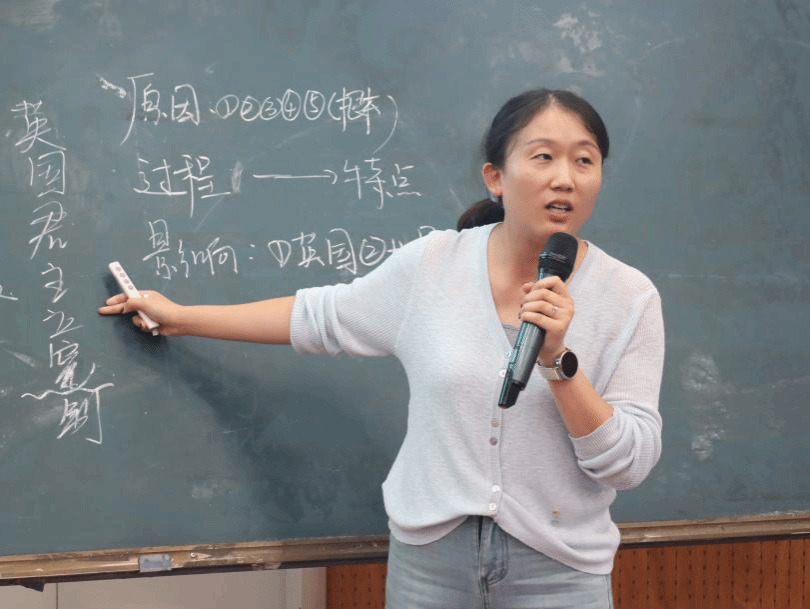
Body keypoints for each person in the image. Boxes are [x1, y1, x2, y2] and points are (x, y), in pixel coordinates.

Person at [99, 88, 665, 608]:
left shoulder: (629, 297)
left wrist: (558, 363)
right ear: (495, 177)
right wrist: (181, 317)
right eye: (543, 157)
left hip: (560, 571)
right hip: (432, 563)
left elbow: (629, 464)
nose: (565, 179)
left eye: (584, 160)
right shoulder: (433, 266)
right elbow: (320, 316)